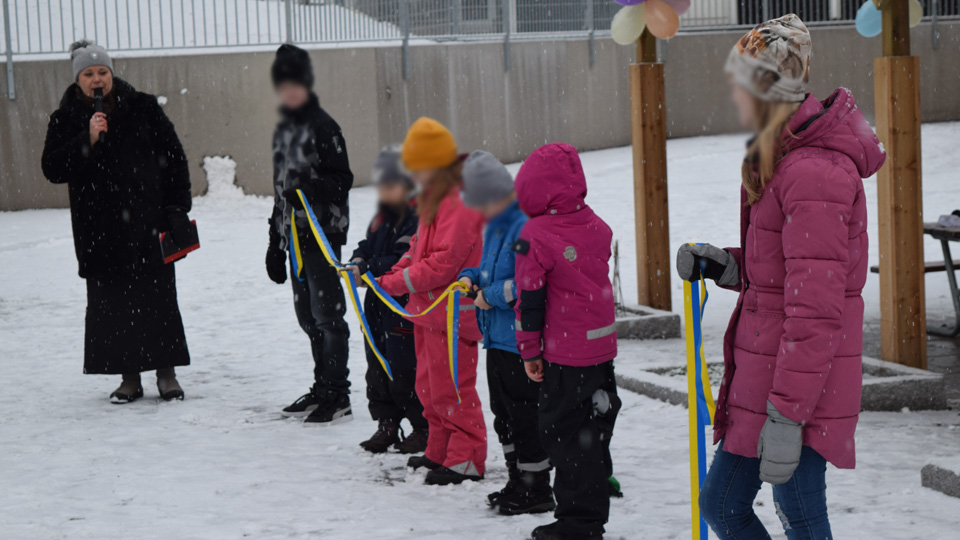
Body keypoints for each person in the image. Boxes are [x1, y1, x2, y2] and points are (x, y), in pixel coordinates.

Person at [676, 15, 885, 540]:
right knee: (722, 505)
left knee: (800, 517)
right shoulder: (784, 157)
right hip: (764, 377)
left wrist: (788, 417)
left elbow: (816, 310)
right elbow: (784, 274)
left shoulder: (813, 171)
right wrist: (727, 265)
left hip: (797, 389)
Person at [41, 40, 192, 403]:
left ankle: (166, 374)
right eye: (89, 73)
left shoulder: (143, 107)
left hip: (147, 223)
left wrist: (176, 208)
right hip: (100, 231)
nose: (97, 79)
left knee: (157, 299)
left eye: (102, 72)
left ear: (112, 74)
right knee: (114, 305)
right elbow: (52, 168)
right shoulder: (64, 120)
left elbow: (174, 158)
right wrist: (87, 139)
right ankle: (129, 378)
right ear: (78, 79)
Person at [514, 143, 621, 540]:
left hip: (564, 356)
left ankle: (579, 524)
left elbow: (530, 299)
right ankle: (591, 507)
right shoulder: (596, 225)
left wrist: (529, 352)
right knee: (592, 432)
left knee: (564, 437)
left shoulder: (534, 235)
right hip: (600, 351)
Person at [378, 117, 487, 486]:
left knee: (453, 387)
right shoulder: (435, 197)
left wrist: (398, 281)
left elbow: (445, 262)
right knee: (429, 386)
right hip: (428, 312)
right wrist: (396, 272)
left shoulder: (459, 201)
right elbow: (417, 248)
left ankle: (467, 456)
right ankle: (441, 448)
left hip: (453, 314)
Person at [457, 151, 554, 516]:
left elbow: (527, 282)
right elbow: (488, 268)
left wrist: (489, 296)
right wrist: (470, 277)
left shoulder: (524, 224)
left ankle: (536, 489)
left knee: (525, 416)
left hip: (518, 341)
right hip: (495, 340)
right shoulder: (495, 225)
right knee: (505, 415)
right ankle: (517, 481)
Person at [264, 44, 355, 426]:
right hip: (293, 241)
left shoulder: (323, 125)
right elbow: (280, 193)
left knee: (328, 316)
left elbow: (342, 178)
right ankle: (322, 386)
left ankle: (338, 393)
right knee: (308, 317)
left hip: (321, 235)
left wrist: (309, 193)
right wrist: (273, 240)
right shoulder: (285, 130)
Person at [348, 146, 428, 454]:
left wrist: (369, 268)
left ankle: (422, 425)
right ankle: (387, 423)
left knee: (404, 364)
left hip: (402, 303)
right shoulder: (381, 216)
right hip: (376, 302)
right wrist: (357, 258)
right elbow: (368, 245)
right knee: (376, 363)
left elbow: (404, 258)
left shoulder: (418, 217)